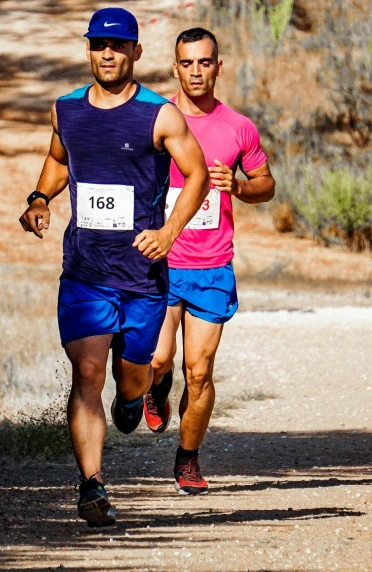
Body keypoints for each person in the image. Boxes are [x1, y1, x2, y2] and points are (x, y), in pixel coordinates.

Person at [18, 7, 208, 527]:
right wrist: (40, 198)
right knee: (87, 372)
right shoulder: (66, 111)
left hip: (142, 279)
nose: (108, 53)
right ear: (87, 50)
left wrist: (169, 233)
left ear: (136, 53)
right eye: (99, 44)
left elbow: (198, 177)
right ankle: (91, 486)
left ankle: (133, 400)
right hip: (85, 272)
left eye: (119, 45)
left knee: (129, 379)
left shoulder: (160, 115)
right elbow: (60, 159)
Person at [143, 27, 275, 495]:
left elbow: (267, 184)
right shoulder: (156, 119)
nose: (196, 72)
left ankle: (188, 459)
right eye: (187, 63)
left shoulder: (239, 127)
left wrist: (239, 186)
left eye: (204, 62)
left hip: (211, 266)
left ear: (218, 66)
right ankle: (156, 386)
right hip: (161, 262)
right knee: (159, 358)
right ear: (174, 67)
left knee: (199, 373)